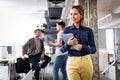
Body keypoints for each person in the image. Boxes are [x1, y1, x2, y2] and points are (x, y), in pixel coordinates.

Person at [60, 5, 96, 80]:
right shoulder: (67, 30)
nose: (72, 16)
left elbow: (93, 49)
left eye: (75, 14)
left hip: (86, 62)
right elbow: (62, 49)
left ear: (81, 15)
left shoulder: (88, 31)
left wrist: (82, 47)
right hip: (72, 63)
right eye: (71, 14)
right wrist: (68, 44)